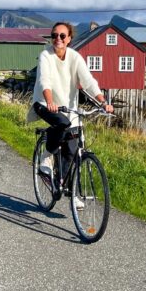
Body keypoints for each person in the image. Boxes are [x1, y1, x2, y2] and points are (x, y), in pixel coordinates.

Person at [28, 22, 113, 204]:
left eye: (62, 36)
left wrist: (103, 102)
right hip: (44, 103)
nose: (58, 39)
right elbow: (45, 81)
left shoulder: (75, 58)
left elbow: (88, 81)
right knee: (63, 124)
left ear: (69, 39)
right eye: (54, 35)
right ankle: (46, 157)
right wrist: (49, 101)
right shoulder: (46, 56)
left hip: (69, 108)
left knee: (71, 151)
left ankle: (68, 190)